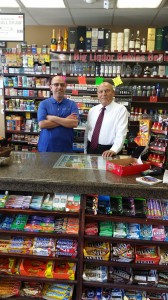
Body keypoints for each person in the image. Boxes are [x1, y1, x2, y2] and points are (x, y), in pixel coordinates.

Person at [84, 82, 128, 158]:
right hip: (91, 148)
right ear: (97, 95)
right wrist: (85, 149)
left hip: (109, 151)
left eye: (107, 91)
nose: (103, 94)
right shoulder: (92, 110)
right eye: (100, 92)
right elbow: (88, 131)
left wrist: (114, 150)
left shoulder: (121, 110)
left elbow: (121, 133)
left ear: (113, 93)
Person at [37, 76, 79, 152]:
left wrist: (53, 118)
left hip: (66, 148)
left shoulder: (72, 104)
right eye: (56, 84)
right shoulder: (43, 104)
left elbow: (74, 123)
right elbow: (42, 124)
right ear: (51, 87)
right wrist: (66, 120)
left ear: (65, 87)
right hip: (46, 148)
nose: (59, 87)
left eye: (62, 85)